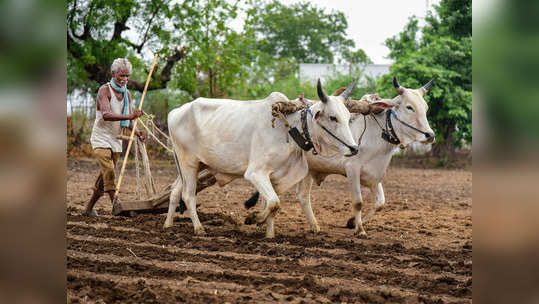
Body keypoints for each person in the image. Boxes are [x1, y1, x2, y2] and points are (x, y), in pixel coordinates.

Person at [83, 58, 146, 217]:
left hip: (116, 139)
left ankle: (89, 208)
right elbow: (106, 115)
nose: (125, 79)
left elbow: (129, 121)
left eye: (127, 76)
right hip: (101, 138)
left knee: (105, 176)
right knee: (109, 170)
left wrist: (137, 131)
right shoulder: (104, 90)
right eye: (121, 76)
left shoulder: (127, 94)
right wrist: (130, 115)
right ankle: (117, 206)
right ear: (113, 74)